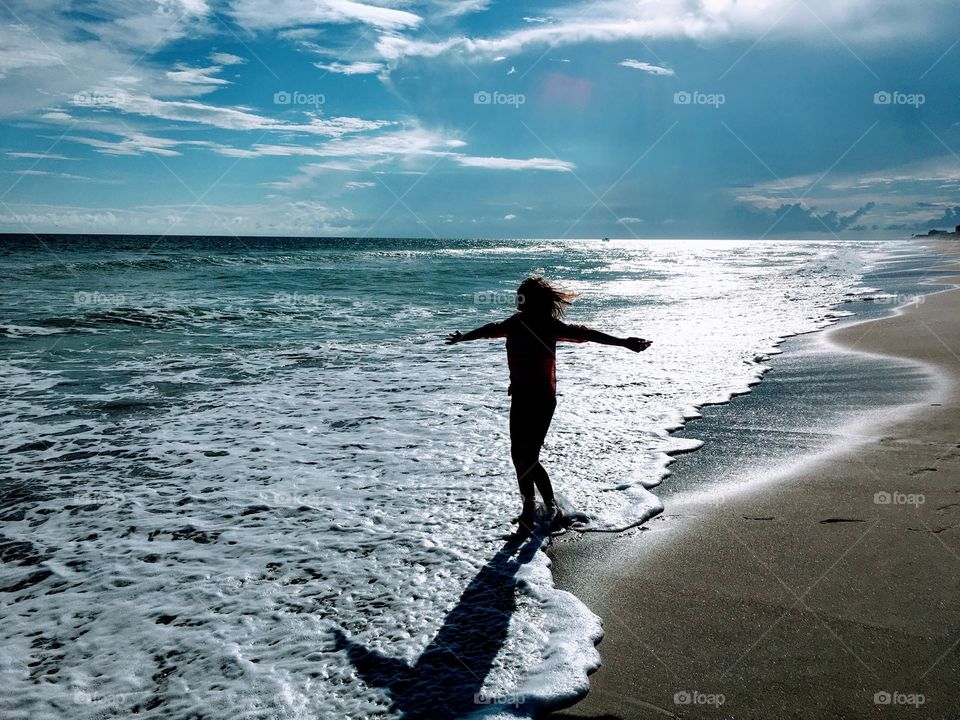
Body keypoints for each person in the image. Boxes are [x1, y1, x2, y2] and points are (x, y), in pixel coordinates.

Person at [446, 276, 651, 532]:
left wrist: (623, 342)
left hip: (542, 400)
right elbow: (490, 329)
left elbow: (588, 335)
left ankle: (551, 507)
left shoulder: (549, 326)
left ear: (533, 300)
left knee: (528, 457)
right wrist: (463, 337)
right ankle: (529, 507)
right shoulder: (516, 322)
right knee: (517, 456)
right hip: (520, 397)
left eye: (521, 295)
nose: (516, 299)